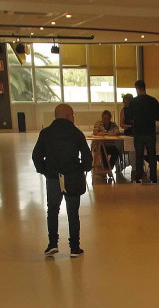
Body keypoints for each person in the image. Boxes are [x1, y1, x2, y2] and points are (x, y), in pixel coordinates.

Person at [32, 103, 92, 258]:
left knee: (52, 210)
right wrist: (84, 168)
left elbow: (36, 156)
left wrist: (44, 170)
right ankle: (74, 248)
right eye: (73, 115)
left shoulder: (46, 133)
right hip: (72, 176)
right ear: (68, 116)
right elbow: (87, 157)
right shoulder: (76, 133)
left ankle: (52, 244)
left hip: (53, 177)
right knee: (73, 213)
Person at [129, 80, 159, 184]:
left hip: (138, 132)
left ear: (137, 89)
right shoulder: (153, 101)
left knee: (139, 156)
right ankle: (153, 177)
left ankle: (138, 177)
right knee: (152, 155)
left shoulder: (133, 102)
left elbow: (129, 116)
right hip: (150, 131)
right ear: (145, 88)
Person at [92, 109, 123, 182]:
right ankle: (106, 169)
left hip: (110, 144)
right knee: (103, 153)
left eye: (107, 119)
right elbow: (95, 132)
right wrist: (101, 134)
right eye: (104, 118)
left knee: (116, 152)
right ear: (102, 118)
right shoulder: (98, 123)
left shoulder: (113, 124)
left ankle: (109, 168)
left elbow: (117, 132)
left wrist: (108, 134)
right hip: (100, 145)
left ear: (110, 118)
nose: (105, 120)